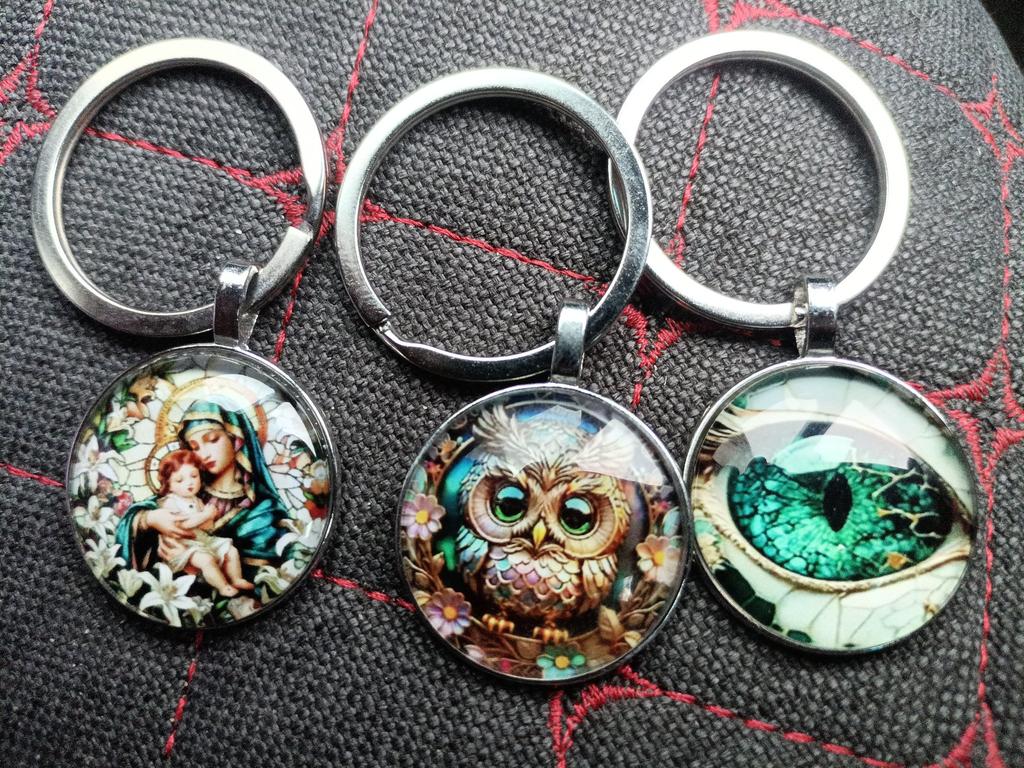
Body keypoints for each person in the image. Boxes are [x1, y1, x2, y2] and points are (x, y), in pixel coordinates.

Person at [116, 400, 293, 597]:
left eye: (213, 439)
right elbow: (136, 528)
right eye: (194, 447)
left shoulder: (264, 508)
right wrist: (149, 519)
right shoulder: (186, 492)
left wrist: (193, 565)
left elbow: (267, 580)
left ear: (236, 439)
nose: (204, 454)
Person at [154, 450, 252, 597]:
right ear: (169, 485)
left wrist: (211, 517)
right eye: (180, 480)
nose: (189, 482)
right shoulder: (170, 502)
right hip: (184, 546)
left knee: (231, 551)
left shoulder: (197, 501)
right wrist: (205, 515)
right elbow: (182, 525)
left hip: (202, 540)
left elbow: (207, 528)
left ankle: (236, 579)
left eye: (194, 476)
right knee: (206, 559)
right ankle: (223, 586)